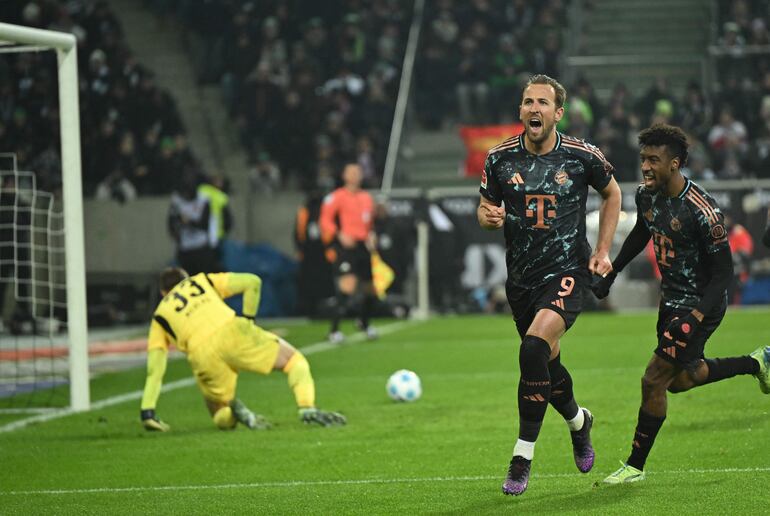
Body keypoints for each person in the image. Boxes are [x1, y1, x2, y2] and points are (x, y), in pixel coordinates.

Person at [592, 124, 770, 484]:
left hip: (701, 304)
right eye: (643, 158)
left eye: (653, 160)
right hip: (671, 300)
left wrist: (696, 317)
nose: (645, 166)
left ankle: (634, 466)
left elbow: (724, 275)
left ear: (674, 164)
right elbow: (644, 229)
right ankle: (757, 362)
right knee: (683, 380)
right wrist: (613, 271)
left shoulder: (703, 210)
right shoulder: (647, 195)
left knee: (653, 380)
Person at [477, 74, 622, 496]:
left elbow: (612, 194)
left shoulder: (581, 156)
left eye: (542, 102)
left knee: (534, 347)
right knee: (547, 364)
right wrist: (486, 216)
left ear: (558, 113)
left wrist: (603, 250)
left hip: (565, 272)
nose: (534, 109)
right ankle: (579, 422)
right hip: (520, 281)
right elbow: (486, 208)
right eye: (527, 102)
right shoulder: (500, 158)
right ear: (520, 111)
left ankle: (522, 456)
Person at [139, 267, 346, 432]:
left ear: (163, 293)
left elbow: (154, 371)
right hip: (232, 332)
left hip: (200, 354)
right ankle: (306, 406)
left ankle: (233, 413)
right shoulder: (203, 281)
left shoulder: (160, 316)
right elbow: (252, 282)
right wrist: (248, 320)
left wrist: (148, 412)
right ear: (186, 279)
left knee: (219, 411)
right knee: (294, 362)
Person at [319, 163, 378, 343]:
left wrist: (371, 235)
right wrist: (339, 235)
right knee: (348, 286)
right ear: (344, 176)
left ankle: (364, 322)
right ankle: (334, 330)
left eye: (357, 172)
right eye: (351, 172)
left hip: (363, 246)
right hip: (346, 247)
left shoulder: (366, 197)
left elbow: (369, 222)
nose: (355, 175)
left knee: (369, 288)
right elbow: (325, 220)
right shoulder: (336, 197)